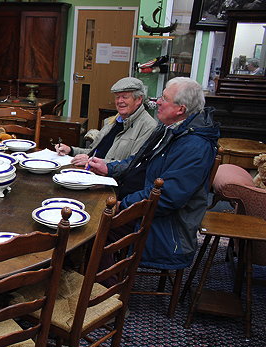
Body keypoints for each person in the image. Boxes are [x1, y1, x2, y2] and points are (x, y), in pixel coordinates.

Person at [87, 77, 219, 270]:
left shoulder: (194, 146)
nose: (157, 101)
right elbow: (139, 161)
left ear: (180, 109)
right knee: (86, 208)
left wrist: (123, 204)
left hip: (165, 228)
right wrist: (110, 168)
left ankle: (104, 292)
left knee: (93, 229)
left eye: (164, 98)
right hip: (140, 205)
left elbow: (166, 197)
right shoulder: (170, 128)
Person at [55, 77, 156, 167]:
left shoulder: (148, 127)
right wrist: (71, 150)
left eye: (125, 97)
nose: (119, 101)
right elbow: (93, 152)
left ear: (138, 99)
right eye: (117, 97)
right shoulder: (113, 122)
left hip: (113, 182)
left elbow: (133, 164)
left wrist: (91, 161)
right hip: (92, 170)